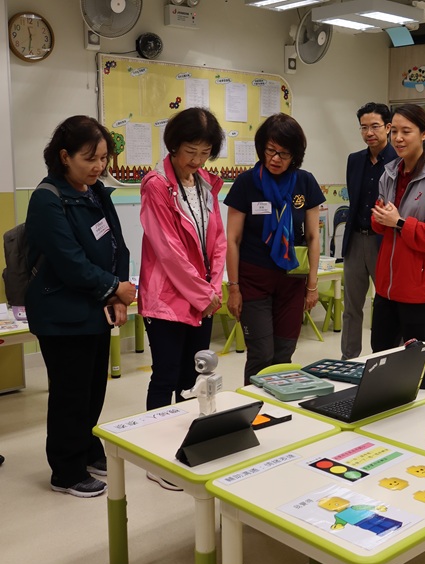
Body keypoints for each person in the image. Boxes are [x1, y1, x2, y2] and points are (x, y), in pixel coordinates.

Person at [25, 115, 135, 498]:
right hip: (61, 312)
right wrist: (112, 289)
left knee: (92, 389)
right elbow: (70, 261)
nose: (99, 166)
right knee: (70, 393)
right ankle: (66, 470)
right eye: (90, 158)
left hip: (95, 307)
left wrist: (118, 294)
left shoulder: (97, 192)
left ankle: (87, 447)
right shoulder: (47, 198)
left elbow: (118, 245)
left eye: (104, 158)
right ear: (65, 156)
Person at [139, 107, 226, 490]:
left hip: (202, 297)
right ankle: (154, 457)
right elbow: (168, 249)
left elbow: (218, 240)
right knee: (165, 376)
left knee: (195, 376)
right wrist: (202, 292)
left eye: (205, 152)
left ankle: (187, 448)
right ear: (174, 146)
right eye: (191, 151)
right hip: (167, 298)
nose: (197, 160)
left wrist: (215, 287)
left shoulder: (205, 183)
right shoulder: (156, 184)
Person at [225, 113, 324, 384]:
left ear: (295, 155)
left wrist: (312, 285)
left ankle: (278, 414)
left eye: (283, 153)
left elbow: (314, 237)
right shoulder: (247, 182)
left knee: (284, 353)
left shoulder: (305, 182)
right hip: (254, 279)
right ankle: (254, 414)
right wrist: (233, 287)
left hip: (292, 280)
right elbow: (232, 239)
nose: (275, 159)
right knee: (261, 354)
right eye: (270, 150)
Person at [370, 104, 425, 351]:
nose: (398, 138)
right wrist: (381, 218)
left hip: (418, 289)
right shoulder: (389, 173)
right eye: (394, 131)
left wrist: (398, 222)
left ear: (423, 133)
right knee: (380, 354)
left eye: (406, 131)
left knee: (415, 362)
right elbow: (379, 224)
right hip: (387, 286)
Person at [340, 102, 396, 360]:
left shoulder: (398, 159)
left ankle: (382, 358)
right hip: (355, 239)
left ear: (387, 127)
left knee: (385, 304)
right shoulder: (354, 160)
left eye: (375, 126)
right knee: (351, 306)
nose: (369, 132)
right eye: (364, 127)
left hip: (383, 241)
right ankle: (349, 359)